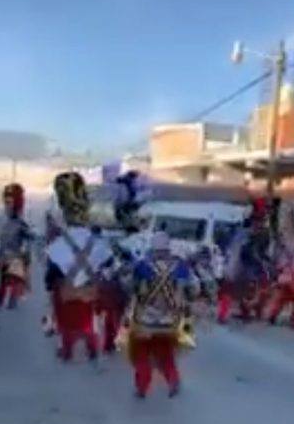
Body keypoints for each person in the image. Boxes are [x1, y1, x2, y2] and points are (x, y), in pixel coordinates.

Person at [45, 171, 112, 361]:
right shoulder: (98, 241)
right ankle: (92, 350)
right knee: (89, 321)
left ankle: (67, 351)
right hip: (90, 291)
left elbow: (51, 275)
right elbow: (108, 266)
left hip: (66, 291)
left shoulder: (57, 244)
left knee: (65, 323)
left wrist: (51, 285)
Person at [125, 239, 199, 399]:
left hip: (144, 321)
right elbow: (194, 290)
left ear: (153, 248)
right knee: (165, 354)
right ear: (168, 250)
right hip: (170, 322)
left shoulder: (142, 265)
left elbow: (129, 286)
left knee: (142, 355)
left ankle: (142, 388)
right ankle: (173, 380)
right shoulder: (181, 267)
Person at [0, 183, 33, 309]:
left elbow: (27, 244)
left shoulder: (22, 223)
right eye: (5, 201)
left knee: (10, 297)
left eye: (9, 202)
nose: (6, 205)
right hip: (2, 260)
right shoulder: (1, 218)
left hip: (14, 263)